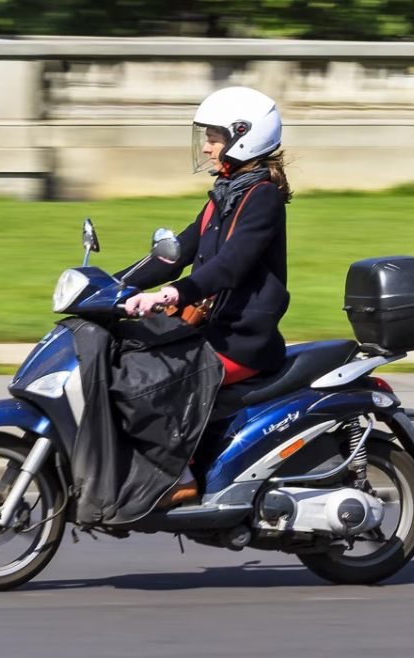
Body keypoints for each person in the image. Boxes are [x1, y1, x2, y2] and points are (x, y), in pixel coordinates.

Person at [120, 86, 293, 506]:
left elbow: (231, 265)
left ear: (242, 136)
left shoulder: (262, 198)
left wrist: (174, 293)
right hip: (214, 329)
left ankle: (177, 477)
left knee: (155, 377)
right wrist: (113, 285)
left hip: (242, 338)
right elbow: (176, 252)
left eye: (214, 137)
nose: (206, 146)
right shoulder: (224, 194)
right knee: (126, 356)